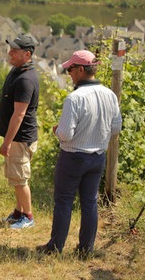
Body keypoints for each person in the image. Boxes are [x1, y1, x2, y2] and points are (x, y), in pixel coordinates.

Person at [37, 50, 122, 257]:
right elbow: (116, 128)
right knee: (90, 201)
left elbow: (66, 134)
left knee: (64, 201)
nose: (69, 74)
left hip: (73, 157)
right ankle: (86, 248)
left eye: (71, 69)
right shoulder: (110, 94)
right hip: (98, 157)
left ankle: (55, 247)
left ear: (81, 70)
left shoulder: (74, 98)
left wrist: (56, 130)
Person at [0, 33, 39, 229]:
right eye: (11, 48)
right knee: (15, 176)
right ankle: (18, 212)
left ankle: (28, 217)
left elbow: (19, 115)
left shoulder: (25, 79)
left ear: (27, 54)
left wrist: (7, 142)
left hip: (20, 138)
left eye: (15, 50)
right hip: (16, 137)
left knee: (21, 179)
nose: (10, 53)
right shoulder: (17, 72)